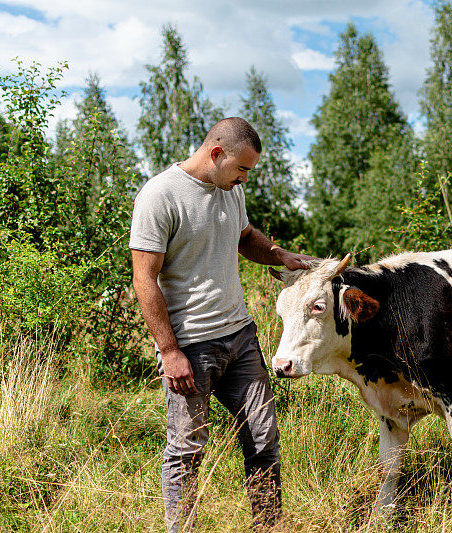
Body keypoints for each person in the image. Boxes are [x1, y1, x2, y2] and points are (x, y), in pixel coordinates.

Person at [129, 117, 311, 531]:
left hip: (241, 338)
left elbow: (245, 236)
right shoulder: (160, 196)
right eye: (242, 168)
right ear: (216, 154)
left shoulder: (231, 190)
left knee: (263, 440)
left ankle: (268, 525)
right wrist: (170, 351)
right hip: (190, 348)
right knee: (187, 450)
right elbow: (144, 278)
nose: (245, 178)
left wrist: (279, 254)